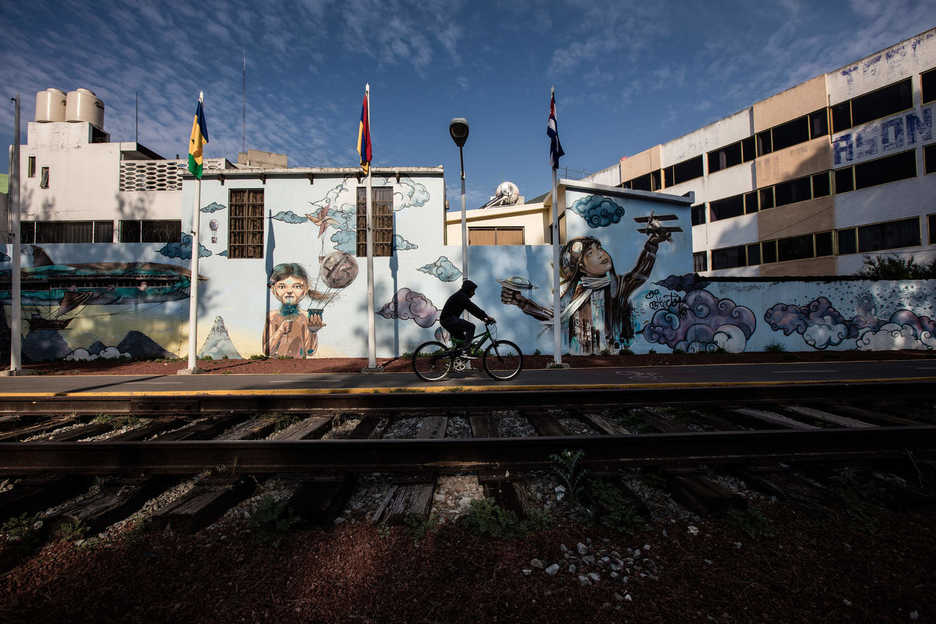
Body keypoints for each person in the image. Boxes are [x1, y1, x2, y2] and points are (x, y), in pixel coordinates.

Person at [501, 224, 671, 354]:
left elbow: (640, 273)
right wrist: (521, 302)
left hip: (615, 348)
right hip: (584, 348)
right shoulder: (576, 295)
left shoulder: (616, 286)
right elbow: (555, 316)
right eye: (590, 253)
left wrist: (652, 245)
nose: (601, 254)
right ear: (581, 267)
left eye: (600, 248)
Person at [263, 263, 326, 358]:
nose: (289, 291)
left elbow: (310, 351)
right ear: (274, 290)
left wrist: (313, 332)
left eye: (296, 286)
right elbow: (267, 351)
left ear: (305, 290)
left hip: (301, 367)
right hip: (277, 366)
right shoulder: (272, 316)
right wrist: (280, 331)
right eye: (282, 286)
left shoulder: (305, 316)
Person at [440, 280, 495, 351]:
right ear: (468, 290)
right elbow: (472, 308)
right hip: (448, 320)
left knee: (462, 340)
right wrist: (486, 316)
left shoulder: (461, 295)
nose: (474, 293)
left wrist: (483, 318)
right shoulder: (461, 296)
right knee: (471, 327)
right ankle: (465, 350)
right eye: (473, 291)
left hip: (448, 320)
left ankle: (458, 355)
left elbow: (472, 310)